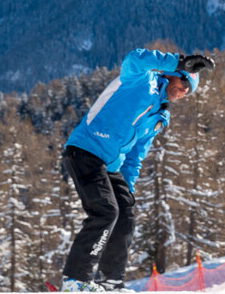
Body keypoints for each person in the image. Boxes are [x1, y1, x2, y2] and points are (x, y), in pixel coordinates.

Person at [59, 48, 215, 292]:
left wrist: (126, 190)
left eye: (190, 90)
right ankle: (75, 280)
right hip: (86, 150)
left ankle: (110, 282)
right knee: (105, 211)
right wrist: (181, 61)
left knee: (125, 214)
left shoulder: (159, 115)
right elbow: (134, 58)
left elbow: (135, 156)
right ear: (172, 74)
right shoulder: (142, 81)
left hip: (111, 165)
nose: (185, 90)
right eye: (185, 80)